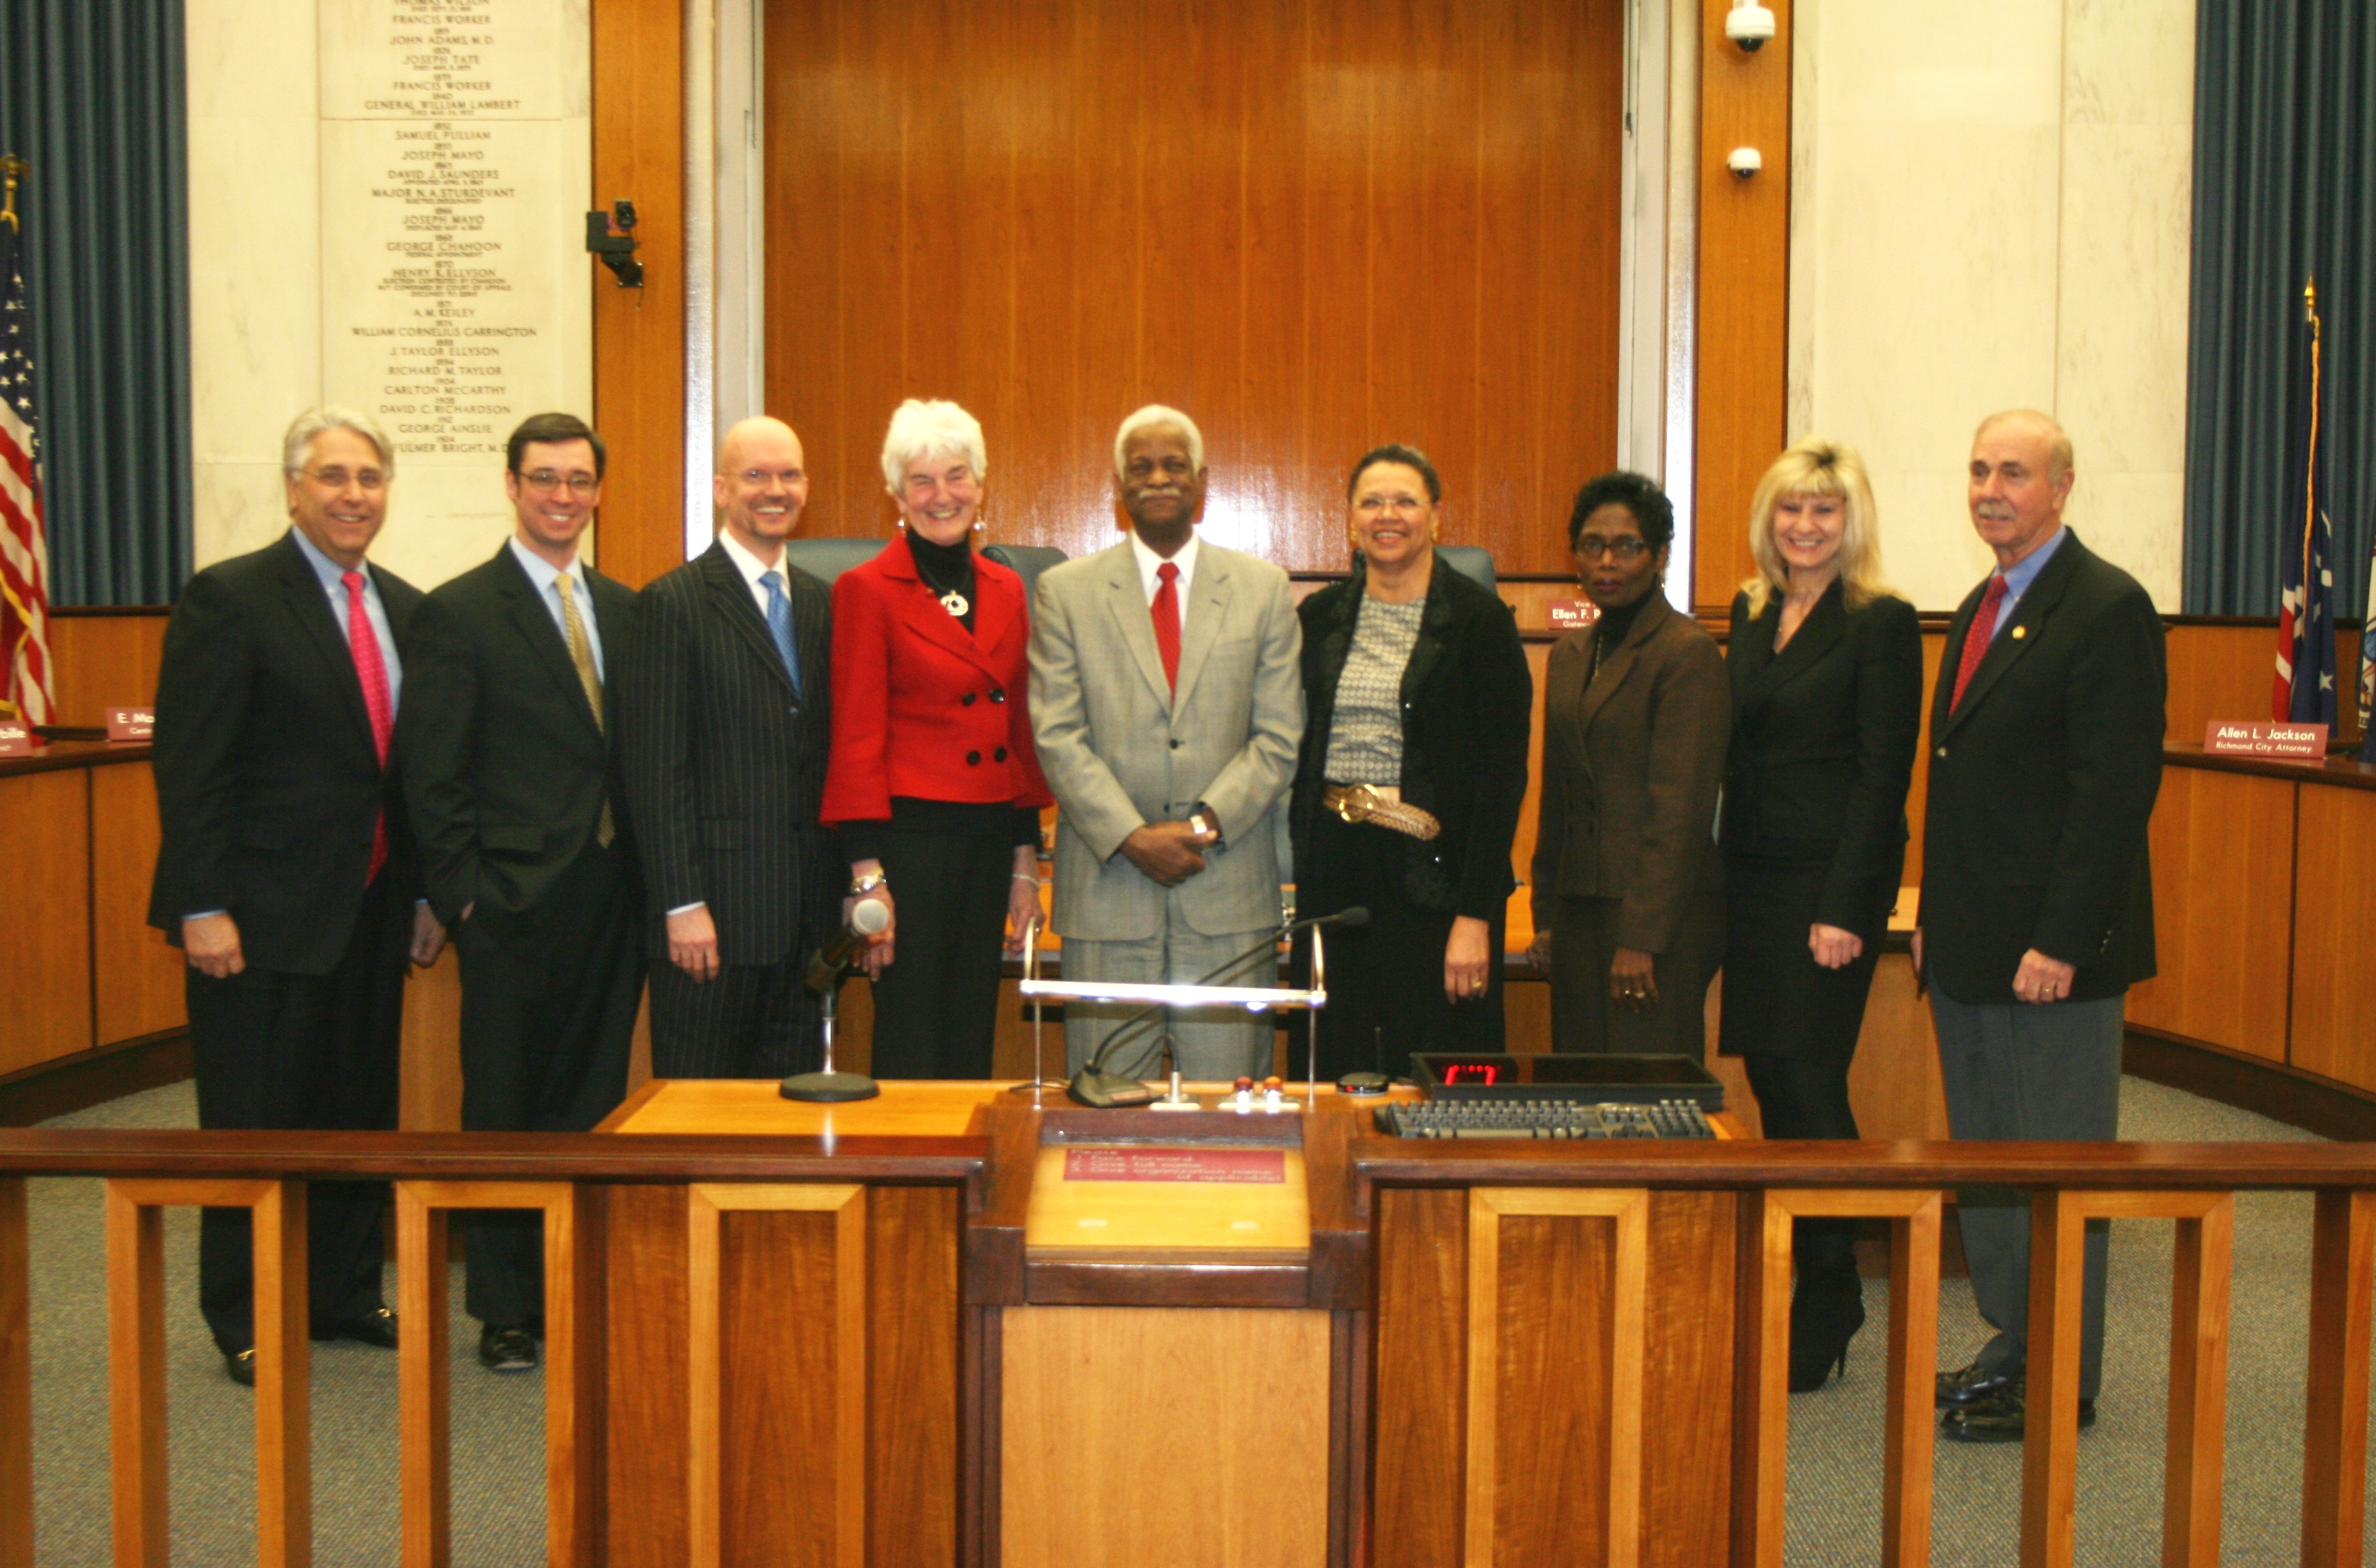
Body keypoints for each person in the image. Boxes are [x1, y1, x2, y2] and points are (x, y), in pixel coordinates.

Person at [148, 407, 446, 1387]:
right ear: (292, 489)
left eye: (369, 477)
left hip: (367, 909)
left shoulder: (404, 606)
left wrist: (421, 893)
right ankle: (242, 1308)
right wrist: (200, 904)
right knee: (253, 1117)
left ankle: (344, 1289)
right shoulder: (231, 599)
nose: (354, 494)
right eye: (333, 477)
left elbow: (401, 775)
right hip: (257, 916)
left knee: (357, 1110)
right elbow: (191, 770)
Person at [1924, 410, 2164, 1443]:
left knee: (2059, 1162)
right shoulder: (1984, 600)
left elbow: (2109, 796)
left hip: (2050, 954)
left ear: (2060, 488)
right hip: (1972, 945)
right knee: (1989, 1157)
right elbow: (1959, 785)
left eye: (2013, 472)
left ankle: (2059, 1376)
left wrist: (2059, 938)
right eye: (1978, 469)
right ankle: (2013, 1338)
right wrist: (1933, 917)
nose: (1990, 488)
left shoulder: (2105, 606)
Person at [397, 412, 643, 1374]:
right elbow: (432, 773)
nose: (562, 496)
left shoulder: (624, 609)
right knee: (504, 1103)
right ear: (512, 484)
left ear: (596, 492)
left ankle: (570, 1286)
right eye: (544, 478)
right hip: (509, 904)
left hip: (609, 898)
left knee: (589, 1102)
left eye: (579, 480)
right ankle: (504, 1307)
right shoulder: (457, 612)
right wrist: (462, 896)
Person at [1719, 437, 1923, 1391]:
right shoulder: (1754, 610)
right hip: (1753, 883)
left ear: (1853, 523)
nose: (1804, 527)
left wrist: (1849, 906)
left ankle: (1833, 1287)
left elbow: (1883, 777)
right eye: (1790, 510)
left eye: (1825, 511)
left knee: (1807, 1081)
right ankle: (1815, 1274)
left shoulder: (1877, 623)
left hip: (1825, 891)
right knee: (1771, 1075)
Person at [1028, 405, 1303, 1081]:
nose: (1158, 479)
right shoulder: (1064, 592)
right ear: (1118, 488)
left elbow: (1279, 733)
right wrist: (1130, 835)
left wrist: (1203, 827)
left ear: (1201, 483)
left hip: (1228, 889)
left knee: (1231, 1110)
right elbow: (1057, 734)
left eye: (1173, 465)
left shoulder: (1263, 589)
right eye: (1141, 468)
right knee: (1102, 1107)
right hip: (1109, 891)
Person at [820, 400, 1052, 1078]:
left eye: (956, 476)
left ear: (980, 487)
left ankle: (968, 1178)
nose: (941, 496)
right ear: (896, 493)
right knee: (911, 1032)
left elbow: (1014, 736)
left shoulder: (1008, 587)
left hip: (987, 842)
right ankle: (912, 1179)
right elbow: (855, 737)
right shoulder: (865, 589)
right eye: (921, 481)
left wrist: (1023, 864)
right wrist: (867, 876)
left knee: (972, 1022)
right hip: (907, 845)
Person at [1288, 444, 1531, 1079]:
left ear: (1435, 517)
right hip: (1335, 872)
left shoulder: (1479, 623)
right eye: (1371, 501)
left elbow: (1503, 776)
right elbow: (1297, 751)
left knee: (1432, 1068)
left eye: (1405, 501)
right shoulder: (1318, 617)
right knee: (1332, 1064)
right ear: (1350, 519)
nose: (1387, 515)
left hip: (1436, 875)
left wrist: (1475, 916)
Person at [619, 416, 839, 1078]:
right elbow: (655, 773)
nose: (775, 489)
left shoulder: (826, 605)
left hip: (807, 928)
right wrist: (681, 905)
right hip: (712, 924)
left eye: (789, 475)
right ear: (720, 489)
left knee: (791, 1125)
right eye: (755, 475)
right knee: (699, 1120)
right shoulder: (672, 604)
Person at [1528, 471, 1728, 1056]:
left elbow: (1680, 811)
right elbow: (1557, 796)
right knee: (1581, 1093)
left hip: (1657, 923)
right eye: (1592, 545)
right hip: (1578, 913)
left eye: (1627, 546)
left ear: (1661, 555)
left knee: (1649, 1101)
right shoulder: (1569, 654)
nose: (1607, 561)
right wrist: (1546, 914)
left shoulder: (1685, 651)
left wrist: (1641, 939)